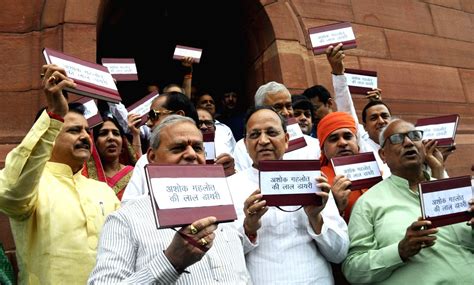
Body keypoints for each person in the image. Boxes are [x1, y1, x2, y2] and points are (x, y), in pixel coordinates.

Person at [88, 115, 251, 284]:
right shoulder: (125, 219)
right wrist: (171, 262)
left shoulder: (222, 209)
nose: (191, 154)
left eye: (197, 147)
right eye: (178, 148)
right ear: (151, 157)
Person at [0, 64, 120, 284]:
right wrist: (54, 116)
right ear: (51, 134)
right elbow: (9, 193)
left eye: (87, 130)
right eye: (74, 130)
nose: (85, 136)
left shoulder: (102, 190)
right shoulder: (32, 185)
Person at [342, 119, 474, 284]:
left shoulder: (451, 191)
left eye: (415, 136)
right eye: (397, 139)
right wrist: (400, 250)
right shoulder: (368, 203)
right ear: (383, 154)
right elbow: (353, 270)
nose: (409, 142)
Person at [228, 107, 349, 284]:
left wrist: (315, 217)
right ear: (245, 144)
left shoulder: (312, 180)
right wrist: (249, 227)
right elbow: (225, 255)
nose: (263, 141)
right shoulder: (231, 186)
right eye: (254, 135)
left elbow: (339, 253)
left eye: (271, 132)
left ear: (286, 140)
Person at [121, 91, 199, 203]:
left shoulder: (219, 162)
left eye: (154, 115)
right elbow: (128, 206)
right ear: (152, 157)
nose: (148, 123)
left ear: (179, 116)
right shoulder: (145, 162)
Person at [232, 81, 320, 172]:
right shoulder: (243, 147)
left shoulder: (314, 145)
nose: (286, 113)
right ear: (260, 109)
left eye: (289, 106)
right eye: (278, 107)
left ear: (286, 139)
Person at [83, 113, 136, 200]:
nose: (111, 138)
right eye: (103, 133)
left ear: (123, 142)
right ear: (94, 142)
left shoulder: (135, 175)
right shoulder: (84, 177)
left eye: (116, 133)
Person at [196, 108, 236, 176]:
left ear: (214, 129)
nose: (204, 127)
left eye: (208, 123)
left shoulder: (224, 149)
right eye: (199, 123)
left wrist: (230, 169)